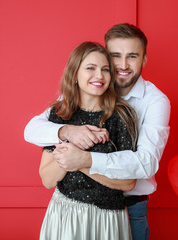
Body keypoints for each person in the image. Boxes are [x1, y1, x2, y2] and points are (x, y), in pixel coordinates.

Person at [25, 23, 171, 240]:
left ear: (144, 59)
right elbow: (33, 130)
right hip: (68, 211)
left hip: (127, 209)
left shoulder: (152, 103)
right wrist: (68, 132)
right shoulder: (82, 94)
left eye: (132, 56)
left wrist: (83, 159)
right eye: (114, 56)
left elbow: (144, 164)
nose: (122, 64)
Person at [38, 41, 138, 240]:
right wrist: (73, 144)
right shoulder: (60, 114)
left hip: (107, 220)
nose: (99, 76)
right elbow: (47, 180)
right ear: (75, 74)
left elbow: (128, 182)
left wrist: (81, 160)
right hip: (65, 215)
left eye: (105, 69)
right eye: (90, 68)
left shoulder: (122, 116)